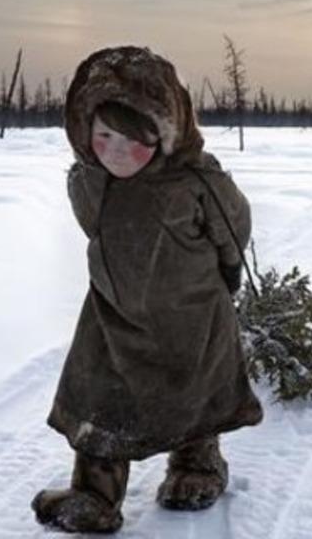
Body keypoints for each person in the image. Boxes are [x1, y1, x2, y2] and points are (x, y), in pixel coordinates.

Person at [32, 46, 263, 533]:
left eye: (135, 139)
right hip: (112, 316)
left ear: (166, 132)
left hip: (189, 314)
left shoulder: (197, 181)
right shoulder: (89, 181)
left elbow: (233, 229)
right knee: (101, 401)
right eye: (104, 136)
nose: (117, 152)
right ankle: (95, 495)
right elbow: (97, 230)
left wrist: (226, 276)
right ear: (84, 131)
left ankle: (197, 466)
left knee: (193, 395)